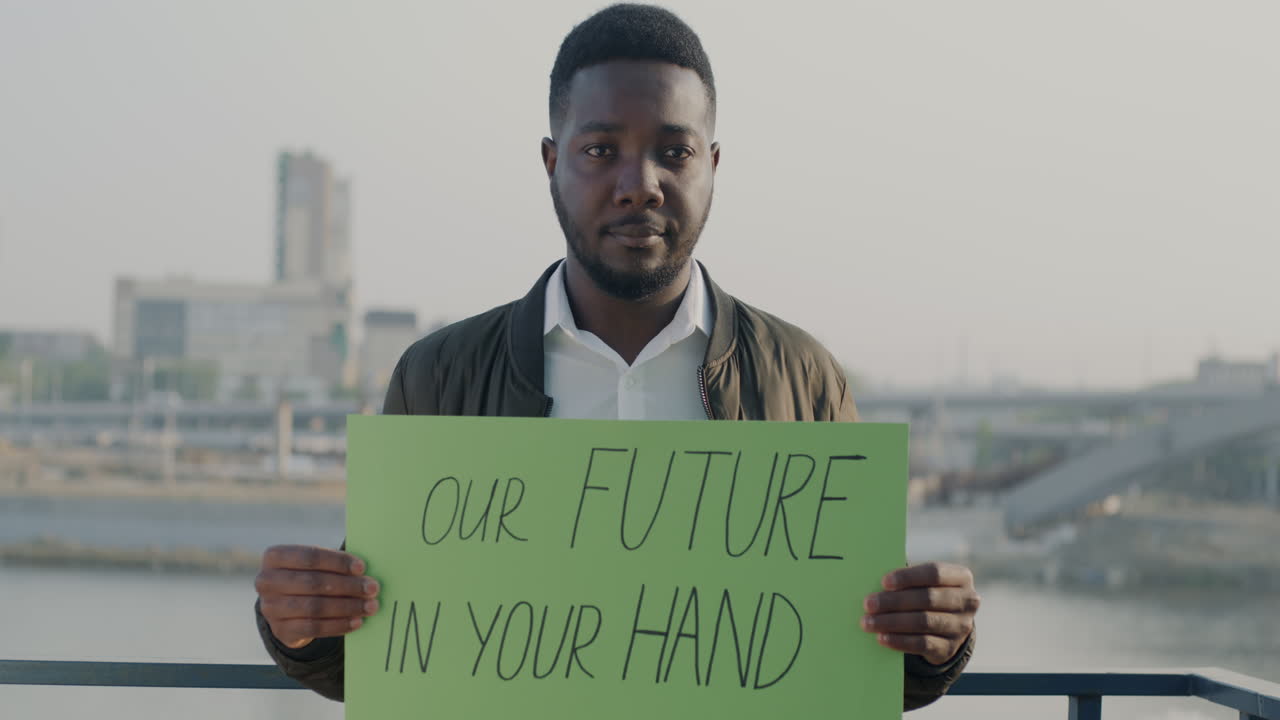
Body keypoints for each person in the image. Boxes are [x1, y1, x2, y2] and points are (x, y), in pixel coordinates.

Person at [253, 3, 979, 711]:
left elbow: (858, 664)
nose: (640, 183)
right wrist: (300, 627)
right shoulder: (436, 375)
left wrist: (934, 643)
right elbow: (382, 655)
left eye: (675, 151)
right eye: (601, 150)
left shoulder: (805, 377)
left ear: (714, 165)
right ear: (550, 161)